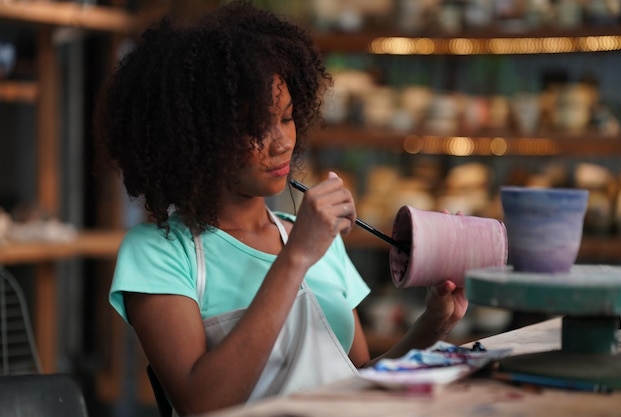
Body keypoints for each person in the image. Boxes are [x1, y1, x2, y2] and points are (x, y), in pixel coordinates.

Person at [94, 1, 468, 415]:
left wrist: (432, 324)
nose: (281, 143)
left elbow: (359, 379)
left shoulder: (316, 238)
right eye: (255, 128)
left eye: (287, 118)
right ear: (195, 139)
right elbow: (202, 402)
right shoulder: (159, 252)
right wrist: (296, 257)